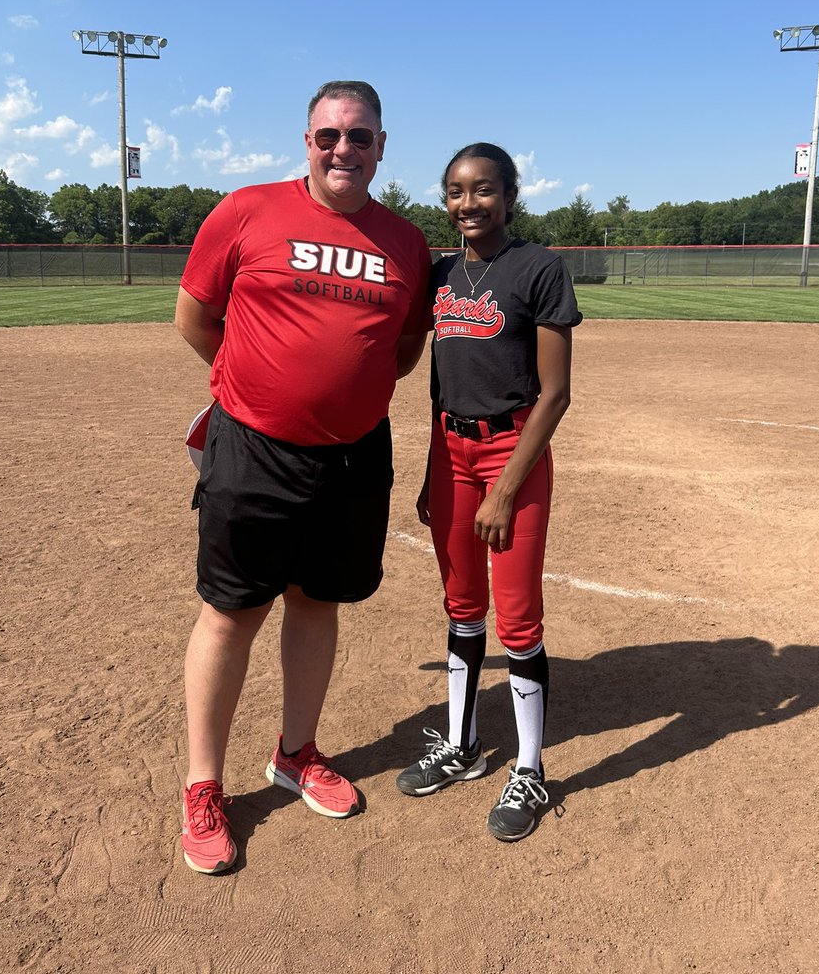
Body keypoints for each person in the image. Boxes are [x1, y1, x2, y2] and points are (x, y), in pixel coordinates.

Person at [176, 81, 430, 873]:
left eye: (359, 137)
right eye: (328, 136)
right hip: (254, 451)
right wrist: (254, 388)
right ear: (307, 141)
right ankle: (204, 786)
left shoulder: (407, 243)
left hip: (354, 456)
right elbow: (194, 315)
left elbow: (402, 350)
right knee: (231, 612)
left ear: (382, 146)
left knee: (318, 604)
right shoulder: (247, 210)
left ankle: (296, 753)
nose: (342, 150)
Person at [396, 142, 582, 841]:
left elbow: (557, 394)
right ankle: (464, 745)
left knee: (519, 616)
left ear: (509, 195)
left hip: (514, 450)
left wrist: (503, 489)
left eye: (482, 190)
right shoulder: (443, 275)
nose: (467, 204)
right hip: (452, 451)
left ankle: (529, 769)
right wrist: (430, 467)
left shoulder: (538, 268)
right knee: (462, 606)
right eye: (454, 191)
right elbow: (441, 384)